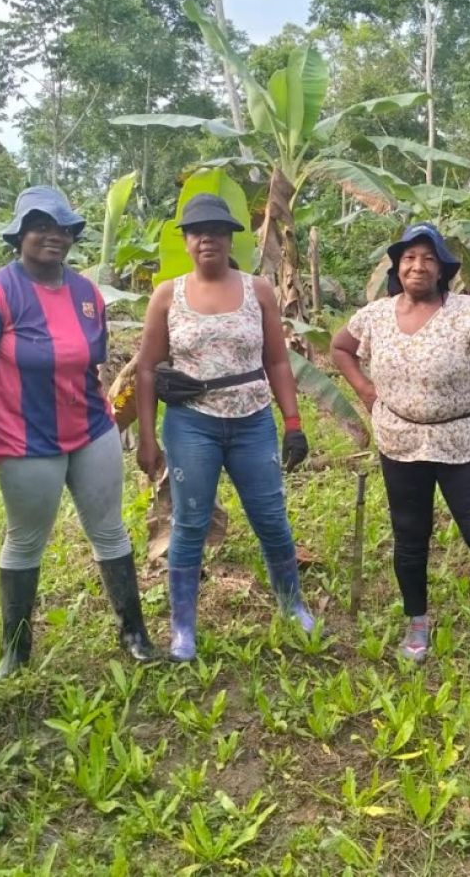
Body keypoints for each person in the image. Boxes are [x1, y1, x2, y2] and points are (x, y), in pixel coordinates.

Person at [0, 186, 157, 679]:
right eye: (41, 226)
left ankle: (134, 633)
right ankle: (15, 651)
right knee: (26, 540)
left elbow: (94, 359)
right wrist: (1, 410)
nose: (53, 236)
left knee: (109, 529)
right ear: (20, 234)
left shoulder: (86, 293)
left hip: (91, 428)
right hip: (26, 440)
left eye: (63, 228)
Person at [331, 223, 470, 679]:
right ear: (396, 266)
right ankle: (416, 625)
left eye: (427, 258)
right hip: (398, 440)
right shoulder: (376, 315)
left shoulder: (468, 313)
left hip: (460, 439)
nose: (417, 266)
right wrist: (366, 391)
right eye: (408, 258)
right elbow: (340, 347)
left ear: (443, 268)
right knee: (409, 535)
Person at [133, 193, 314, 663]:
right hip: (192, 424)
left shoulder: (258, 291)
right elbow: (148, 368)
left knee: (270, 517)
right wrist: (148, 437)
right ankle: (182, 628)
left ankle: (292, 604)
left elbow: (276, 358)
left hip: (252, 418)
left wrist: (292, 422)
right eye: (197, 231)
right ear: (187, 242)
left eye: (216, 229)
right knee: (190, 523)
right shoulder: (167, 295)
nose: (207, 238)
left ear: (231, 236)